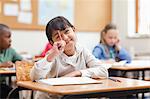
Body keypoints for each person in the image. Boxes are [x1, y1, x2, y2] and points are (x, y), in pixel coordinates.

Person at [30, 16, 108, 99]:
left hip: (76, 95)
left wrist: (77, 73)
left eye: (67, 31)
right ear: (52, 42)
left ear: (73, 30)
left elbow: (103, 71)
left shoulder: (82, 50)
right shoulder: (53, 54)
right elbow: (34, 76)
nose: (65, 38)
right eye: (58, 36)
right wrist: (51, 56)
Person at [0, 24, 22, 98]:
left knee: (14, 93)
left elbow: (22, 61)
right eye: (7, 37)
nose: (10, 40)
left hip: (2, 85)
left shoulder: (10, 50)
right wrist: (1, 65)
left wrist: (16, 63)